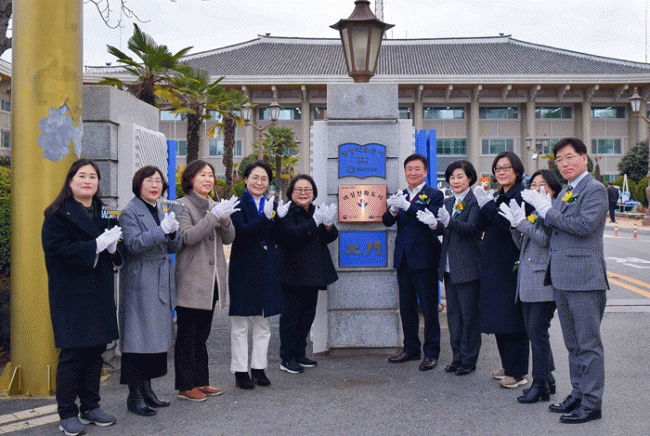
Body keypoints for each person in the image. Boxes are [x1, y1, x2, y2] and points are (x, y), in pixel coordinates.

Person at [522, 137, 609, 424]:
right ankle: (578, 392)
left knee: (588, 344)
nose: (564, 164)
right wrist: (539, 214)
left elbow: (584, 226)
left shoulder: (594, 189)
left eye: (570, 157)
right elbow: (554, 231)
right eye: (559, 160)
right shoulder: (566, 192)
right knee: (573, 343)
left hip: (584, 279)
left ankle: (592, 402)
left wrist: (547, 212)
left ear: (584, 158)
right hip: (561, 277)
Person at [42, 159, 123, 435]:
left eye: (93, 177)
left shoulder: (109, 211)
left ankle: (91, 406)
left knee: (96, 351)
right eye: (82, 176)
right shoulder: (56, 213)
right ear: (70, 180)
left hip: (100, 290)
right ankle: (67, 413)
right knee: (73, 353)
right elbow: (56, 250)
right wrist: (93, 246)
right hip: (72, 293)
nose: (88, 181)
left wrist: (113, 249)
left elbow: (121, 245)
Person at [118, 166, 182, 416]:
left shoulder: (160, 209)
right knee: (137, 340)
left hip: (159, 279)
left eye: (158, 181)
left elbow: (174, 247)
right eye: (149, 181)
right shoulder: (129, 212)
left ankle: (147, 391)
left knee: (153, 339)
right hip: (140, 282)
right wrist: (161, 230)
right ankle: (134, 396)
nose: (155, 185)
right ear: (139, 184)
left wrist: (173, 232)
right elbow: (133, 245)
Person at [175, 160, 237, 402]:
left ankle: (201, 381)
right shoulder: (182, 205)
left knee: (202, 335)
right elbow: (187, 237)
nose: (208, 179)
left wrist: (225, 218)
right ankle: (185, 385)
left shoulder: (215, 205)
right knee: (187, 336)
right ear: (191, 179)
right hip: (191, 280)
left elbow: (229, 238)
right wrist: (212, 217)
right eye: (202, 175)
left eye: (210, 175)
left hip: (212, 281)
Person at [499, 169, 562, 403]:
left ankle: (540, 384)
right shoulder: (534, 210)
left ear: (553, 188)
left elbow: (546, 240)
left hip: (543, 281)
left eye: (542, 184)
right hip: (527, 280)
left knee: (537, 332)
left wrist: (523, 223)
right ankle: (548, 379)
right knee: (534, 332)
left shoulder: (552, 211)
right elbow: (523, 244)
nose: (536, 188)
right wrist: (515, 225)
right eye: (533, 184)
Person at [228, 162, 290, 389]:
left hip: (266, 269)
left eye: (264, 179)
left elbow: (278, 239)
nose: (259, 182)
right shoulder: (237, 204)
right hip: (243, 270)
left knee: (263, 324)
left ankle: (259, 368)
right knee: (240, 324)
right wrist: (264, 217)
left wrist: (280, 219)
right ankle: (240, 371)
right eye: (255, 177)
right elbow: (241, 234)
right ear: (246, 179)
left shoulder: (272, 204)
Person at [473, 151, 529, 389]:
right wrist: (483, 204)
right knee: (498, 315)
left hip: (510, 262)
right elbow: (484, 224)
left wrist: (488, 206)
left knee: (513, 318)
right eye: (498, 169)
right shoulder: (498, 195)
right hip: (493, 262)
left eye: (506, 168)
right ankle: (508, 364)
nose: (501, 172)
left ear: (517, 170)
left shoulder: (520, 195)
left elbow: (508, 226)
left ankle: (519, 372)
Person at [382, 154, 444, 371]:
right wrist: (393, 209)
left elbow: (431, 218)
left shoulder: (434, 194)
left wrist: (407, 207)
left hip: (424, 258)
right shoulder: (401, 194)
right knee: (406, 307)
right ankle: (410, 348)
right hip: (403, 258)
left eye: (417, 169)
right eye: (409, 169)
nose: (413, 173)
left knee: (428, 307)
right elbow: (386, 221)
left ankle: (431, 352)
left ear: (425, 171)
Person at [277, 174, 339, 374]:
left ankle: (299, 353)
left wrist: (328, 225)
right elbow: (291, 235)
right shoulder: (286, 212)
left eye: (308, 190)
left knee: (307, 315)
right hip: (292, 273)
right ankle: (287, 357)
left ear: (313, 193)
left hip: (313, 273)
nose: (303, 193)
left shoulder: (316, 210)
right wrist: (314, 222)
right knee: (290, 317)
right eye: (299, 189)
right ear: (291, 192)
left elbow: (328, 237)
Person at [434, 160, 482, 376]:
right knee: (453, 315)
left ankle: (469, 359)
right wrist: (434, 225)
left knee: (469, 316)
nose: (455, 181)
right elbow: (445, 231)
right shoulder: (448, 201)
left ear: (469, 178)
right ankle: (456, 357)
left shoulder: (475, 201)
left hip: (467, 266)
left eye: (460, 176)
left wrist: (449, 222)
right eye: (452, 177)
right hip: (448, 266)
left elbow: (471, 228)